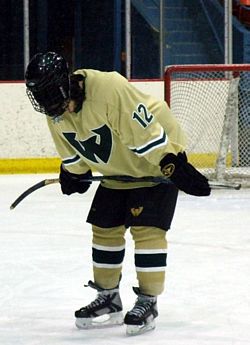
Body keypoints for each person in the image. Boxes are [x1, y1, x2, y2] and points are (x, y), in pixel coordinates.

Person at [25, 52, 210, 336]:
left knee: (148, 229)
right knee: (104, 228)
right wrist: (74, 172)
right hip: (116, 170)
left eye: (61, 103)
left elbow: (144, 133)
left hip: (153, 162)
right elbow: (72, 149)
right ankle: (109, 297)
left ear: (65, 86)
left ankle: (148, 300)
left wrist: (171, 164)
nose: (60, 111)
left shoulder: (108, 88)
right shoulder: (54, 111)